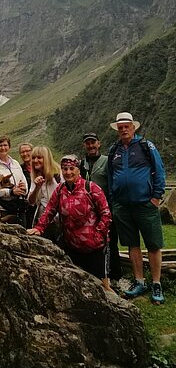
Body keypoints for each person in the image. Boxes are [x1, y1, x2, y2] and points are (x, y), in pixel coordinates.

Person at [27, 155, 112, 291]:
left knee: (101, 286)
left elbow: (106, 214)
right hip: (71, 246)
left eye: (72, 168)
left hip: (94, 248)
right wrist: (39, 228)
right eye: (65, 169)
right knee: (77, 285)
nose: (68, 172)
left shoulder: (91, 188)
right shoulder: (60, 190)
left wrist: (98, 235)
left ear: (78, 170)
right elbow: (50, 210)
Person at [107, 112, 166, 304]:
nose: (124, 129)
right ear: (117, 130)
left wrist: (156, 197)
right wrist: (114, 200)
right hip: (123, 206)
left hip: (145, 204)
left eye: (127, 126)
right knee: (132, 244)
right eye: (120, 127)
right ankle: (139, 281)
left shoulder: (146, 146)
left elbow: (159, 171)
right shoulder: (114, 149)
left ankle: (156, 283)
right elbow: (110, 176)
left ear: (134, 128)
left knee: (153, 244)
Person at [80, 132, 122, 290]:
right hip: (87, 213)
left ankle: (115, 276)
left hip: (107, 210)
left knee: (111, 242)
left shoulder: (107, 162)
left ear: (99, 143)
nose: (90, 146)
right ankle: (96, 274)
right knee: (91, 243)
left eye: (93, 142)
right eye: (87, 143)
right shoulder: (80, 164)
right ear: (84, 145)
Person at [0, 136, 28, 225]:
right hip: (3, 209)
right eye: (0, 146)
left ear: (9, 147)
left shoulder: (15, 163)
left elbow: (23, 181)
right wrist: (10, 192)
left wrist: (23, 188)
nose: (3, 148)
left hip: (19, 207)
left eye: (5, 145)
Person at [27, 146, 62, 230]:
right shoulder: (35, 175)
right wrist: (37, 187)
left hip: (58, 215)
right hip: (41, 214)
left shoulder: (58, 174)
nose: (35, 161)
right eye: (33, 158)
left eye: (39, 158)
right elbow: (31, 201)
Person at [19, 142, 36, 228]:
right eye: (22, 152)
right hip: (27, 207)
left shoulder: (39, 167)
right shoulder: (19, 169)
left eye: (27, 151)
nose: (25, 154)